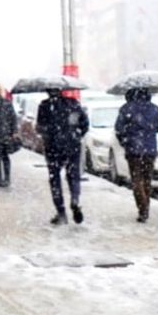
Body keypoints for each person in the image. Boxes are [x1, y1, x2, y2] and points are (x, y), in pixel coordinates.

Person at [36, 88, 90, 225]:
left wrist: (47, 134)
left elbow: (40, 127)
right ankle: (75, 199)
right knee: (74, 175)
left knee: (55, 178)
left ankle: (61, 213)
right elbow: (84, 123)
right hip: (72, 144)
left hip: (53, 146)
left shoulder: (44, 106)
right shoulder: (73, 103)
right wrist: (77, 134)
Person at [114, 88, 158, 222]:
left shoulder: (126, 109)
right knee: (147, 180)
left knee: (137, 180)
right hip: (150, 150)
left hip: (133, 150)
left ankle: (142, 208)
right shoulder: (155, 109)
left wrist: (125, 141)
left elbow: (118, 129)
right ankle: (146, 208)